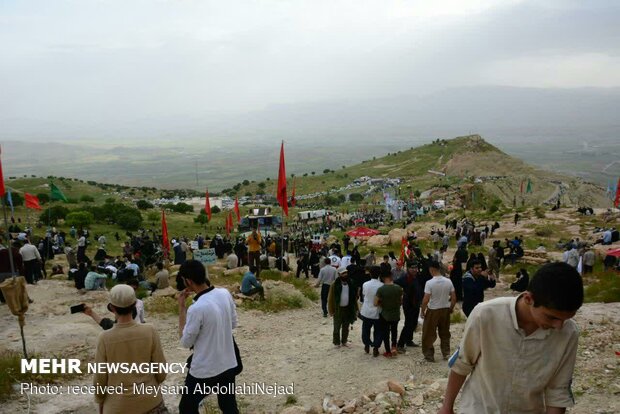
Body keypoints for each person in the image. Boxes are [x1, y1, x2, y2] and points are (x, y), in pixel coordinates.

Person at [439, 262, 584, 414]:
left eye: (566, 319)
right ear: (529, 299)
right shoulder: (486, 314)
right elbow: (462, 363)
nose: (559, 326)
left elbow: (558, 391)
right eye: (552, 318)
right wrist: (447, 407)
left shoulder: (569, 333)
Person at [93, 284, 168, 414]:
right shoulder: (150, 330)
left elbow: (100, 380)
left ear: (112, 308)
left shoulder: (104, 338)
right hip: (151, 402)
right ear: (134, 305)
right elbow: (161, 373)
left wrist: (100, 401)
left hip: (118, 406)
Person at [178, 260, 240, 414]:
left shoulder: (197, 308)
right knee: (228, 405)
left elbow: (186, 342)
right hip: (228, 362)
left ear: (188, 281)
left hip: (205, 369)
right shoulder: (224, 293)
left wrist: (181, 308)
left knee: (187, 407)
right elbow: (233, 323)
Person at [420, 261, 456, 362]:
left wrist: (422, 311)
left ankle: (429, 355)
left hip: (433, 310)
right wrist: (451, 308)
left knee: (428, 333)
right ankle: (446, 353)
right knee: (445, 332)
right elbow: (453, 298)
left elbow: (426, 300)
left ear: (431, 270)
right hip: (445, 309)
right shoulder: (448, 281)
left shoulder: (429, 283)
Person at [375, 268, 403, 357]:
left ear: (382, 278)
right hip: (396, 313)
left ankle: (388, 351)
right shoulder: (398, 288)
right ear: (391, 276)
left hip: (385, 314)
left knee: (385, 333)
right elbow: (401, 301)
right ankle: (394, 346)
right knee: (394, 331)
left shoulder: (381, 289)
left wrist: (382, 303)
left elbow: (375, 303)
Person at [327, 267, 358, 347]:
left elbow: (353, 297)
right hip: (338, 309)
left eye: (346, 273)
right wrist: (331, 310)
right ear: (339, 274)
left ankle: (344, 341)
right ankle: (336, 342)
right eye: (343, 273)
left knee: (346, 326)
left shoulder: (350, 283)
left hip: (348, 308)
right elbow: (330, 298)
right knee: (337, 326)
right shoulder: (334, 284)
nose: (345, 275)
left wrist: (356, 308)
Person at [395, 262, 422, 353]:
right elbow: (395, 284)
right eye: (412, 268)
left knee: (414, 323)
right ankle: (400, 344)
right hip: (408, 305)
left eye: (416, 268)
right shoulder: (404, 278)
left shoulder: (417, 277)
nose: (415, 270)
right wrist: (400, 294)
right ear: (408, 269)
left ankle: (409, 340)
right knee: (408, 324)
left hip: (416, 304)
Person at [359, 265, 383, 355]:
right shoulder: (382, 285)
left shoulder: (365, 284)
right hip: (378, 311)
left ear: (370, 274)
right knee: (378, 330)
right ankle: (376, 347)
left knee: (365, 329)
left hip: (366, 311)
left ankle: (367, 344)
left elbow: (364, 295)